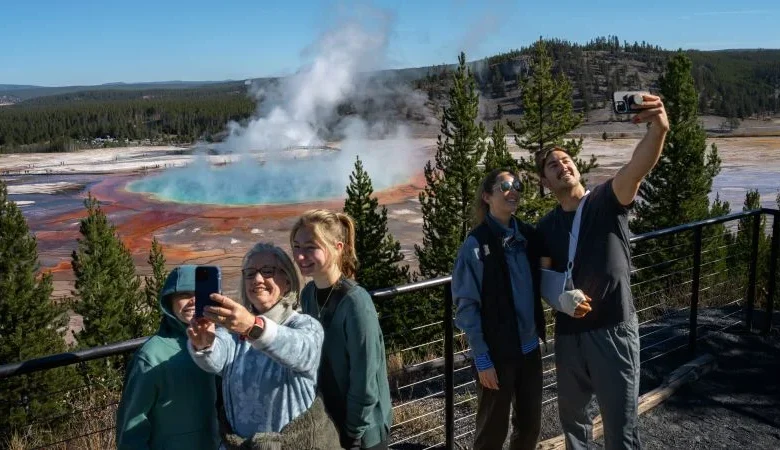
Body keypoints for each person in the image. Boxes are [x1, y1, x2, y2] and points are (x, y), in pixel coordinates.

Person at [537, 94, 669, 450]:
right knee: (573, 425)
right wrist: (558, 300)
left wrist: (658, 129)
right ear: (546, 183)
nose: (562, 165)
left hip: (613, 330)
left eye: (566, 160)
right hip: (568, 338)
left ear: (576, 168)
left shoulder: (606, 201)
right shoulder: (545, 227)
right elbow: (543, 279)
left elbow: (637, 167)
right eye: (552, 165)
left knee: (620, 427)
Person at [451, 169, 592, 450]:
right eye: (504, 185)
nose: (513, 189)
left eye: (517, 185)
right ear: (487, 196)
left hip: (529, 350)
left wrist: (566, 297)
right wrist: (482, 358)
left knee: (529, 427)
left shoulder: (528, 236)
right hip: (496, 353)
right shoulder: (476, 245)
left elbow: (547, 278)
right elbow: (467, 306)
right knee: (492, 431)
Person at [186, 242, 340, 449]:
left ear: (287, 280)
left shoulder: (304, 324)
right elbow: (216, 360)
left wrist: (253, 326)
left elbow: (301, 352)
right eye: (250, 274)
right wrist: (204, 344)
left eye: (267, 271)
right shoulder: (233, 331)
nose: (257, 279)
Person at [290, 209, 392, 450]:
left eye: (310, 247)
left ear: (338, 247)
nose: (300, 256)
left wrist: (353, 433)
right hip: (330, 422)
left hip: (364, 432)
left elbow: (365, 376)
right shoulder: (309, 295)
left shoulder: (356, 302)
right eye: (296, 246)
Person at [115, 265, 220, 450]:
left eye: (200, 293)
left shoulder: (223, 344)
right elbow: (131, 430)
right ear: (169, 301)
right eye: (184, 294)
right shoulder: (152, 355)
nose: (193, 300)